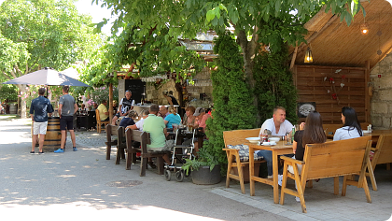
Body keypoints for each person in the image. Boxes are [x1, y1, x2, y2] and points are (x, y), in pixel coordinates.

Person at [285, 111, 327, 202]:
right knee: (301, 162)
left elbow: (294, 150)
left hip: (301, 167)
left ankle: (299, 193)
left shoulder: (299, 134)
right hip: (316, 166)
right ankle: (309, 177)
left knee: (293, 162)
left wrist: (300, 130)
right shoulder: (322, 136)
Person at [256, 106, 294, 178]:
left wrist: (292, 134)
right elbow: (267, 135)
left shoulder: (285, 123)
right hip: (262, 148)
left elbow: (294, 133)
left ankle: (280, 174)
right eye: (281, 115)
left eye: (284, 115)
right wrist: (283, 137)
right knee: (272, 155)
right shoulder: (268, 122)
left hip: (279, 149)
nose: (283, 117)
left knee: (293, 153)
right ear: (274, 116)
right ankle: (272, 176)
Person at [30, 88, 54, 154]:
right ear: (44, 93)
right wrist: (50, 115)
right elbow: (50, 111)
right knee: (42, 135)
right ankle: (40, 150)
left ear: (38, 93)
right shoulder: (47, 101)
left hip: (36, 120)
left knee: (35, 135)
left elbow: (31, 112)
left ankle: (32, 150)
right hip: (44, 120)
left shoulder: (34, 101)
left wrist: (33, 118)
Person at [55, 86, 78, 153]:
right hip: (70, 116)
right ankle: (74, 146)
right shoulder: (72, 97)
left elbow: (59, 108)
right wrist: (72, 113)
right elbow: (76, 107)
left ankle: (62, 148)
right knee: (71, 130)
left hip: (64, 116)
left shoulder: (62, 98)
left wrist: (60, 115)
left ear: (63, 90)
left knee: (63, 131)